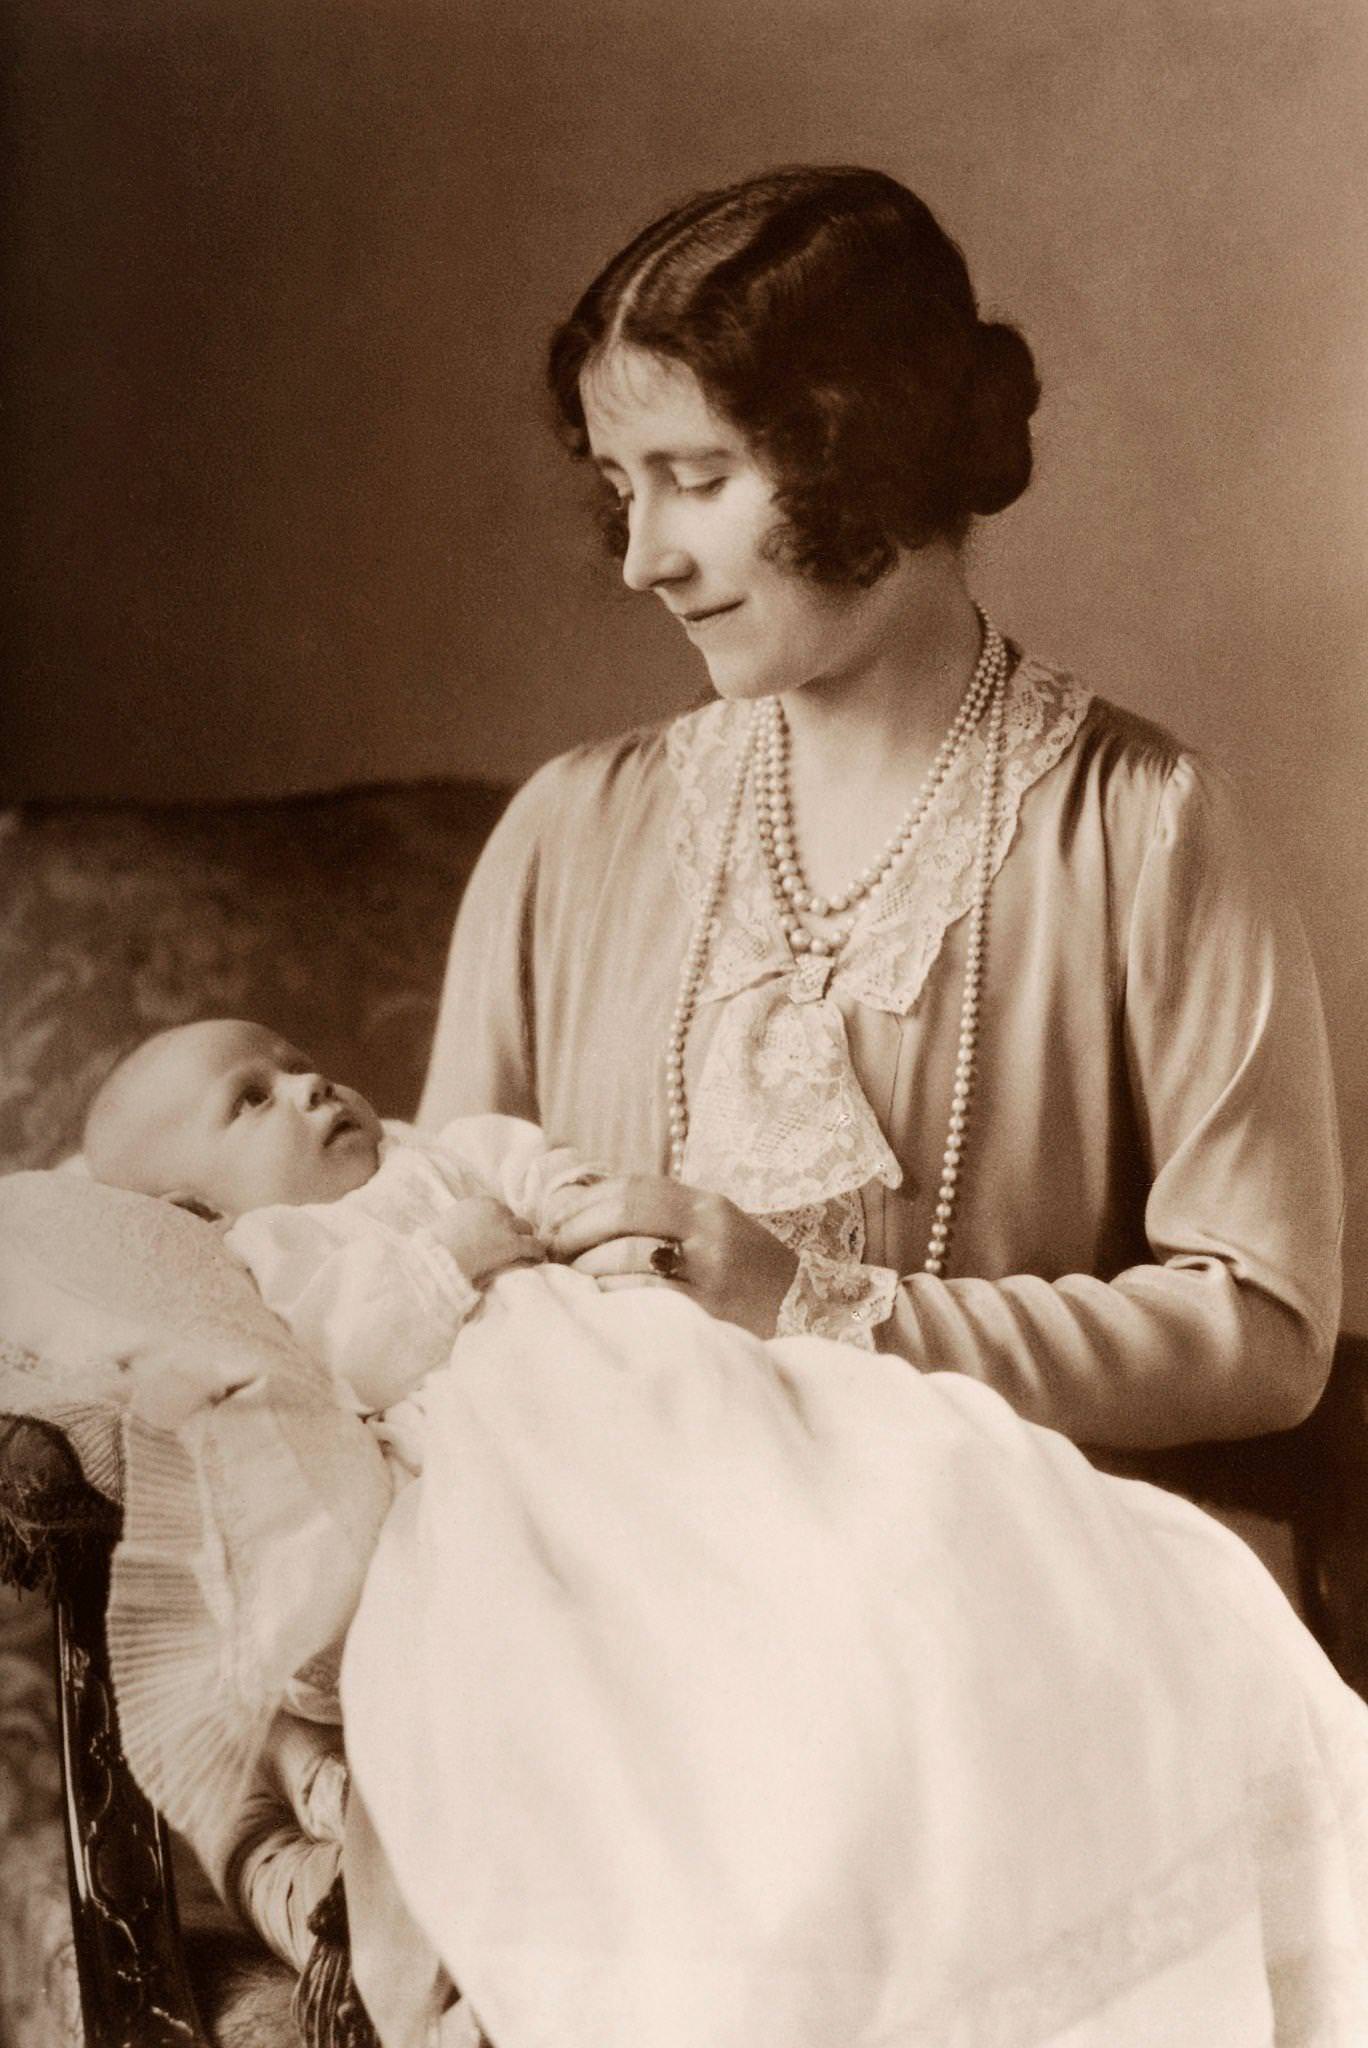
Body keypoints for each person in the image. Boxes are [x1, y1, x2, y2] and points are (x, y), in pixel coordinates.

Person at [420, 163, 1342, 1457]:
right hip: (600, 1567)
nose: (643, 561)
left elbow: (1265, 1328)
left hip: (989, 1585)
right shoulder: (565, 835)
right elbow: (427, 1247)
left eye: (699, 477)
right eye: (626, 490)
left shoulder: (1150, 829)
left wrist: (829, 1308)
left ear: (868, 448)